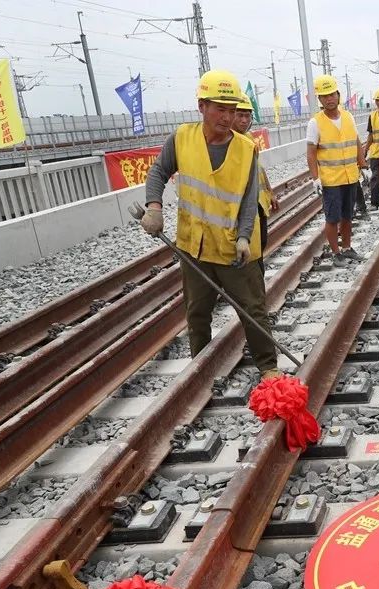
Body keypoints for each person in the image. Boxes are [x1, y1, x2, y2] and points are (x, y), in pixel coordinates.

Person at [141, 70, 280, 379]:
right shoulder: (181, 139)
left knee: (253, 309)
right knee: (197, 311)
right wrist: (154, 208)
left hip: (234, 247)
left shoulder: (246, 149)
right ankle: (200, 368)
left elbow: (248, 198)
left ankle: (268, 367)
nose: (228, 117)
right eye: (221, 108)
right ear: (202, 106)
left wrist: (244, 236)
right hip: (195, 247)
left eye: (233, 110)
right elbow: (158, 172)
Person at [306, 74, 367, 263]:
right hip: (331, 180)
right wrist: (315, 178)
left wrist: (363, 165)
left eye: (332, 94)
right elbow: (311, 153)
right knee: (332, 218)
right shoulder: (315, 123)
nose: (329, 99)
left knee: (348, 215)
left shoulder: (348, 117)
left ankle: (347, 247)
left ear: (338, 95)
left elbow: (356, 143)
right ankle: (335, 252)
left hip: (350, 177)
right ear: (320, 100)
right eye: (324, 96)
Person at [233, 94, 279, 271]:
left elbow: (258, 168)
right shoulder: (228, 143)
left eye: (248, 116)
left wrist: (270, 192)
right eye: (240, 115)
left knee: (261, 242)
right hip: (241, 205)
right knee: (249, 246)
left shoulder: (250, 139)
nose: (244, 120)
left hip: (258, 202)